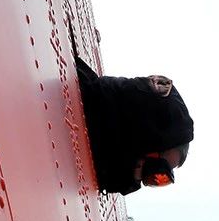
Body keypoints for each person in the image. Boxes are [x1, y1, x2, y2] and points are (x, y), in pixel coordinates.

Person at [75, 57, 193, 195]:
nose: (150, 165)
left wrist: (136, 174)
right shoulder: (121, 123)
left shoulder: (119, 165)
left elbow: (107, 181)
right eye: (158, 158)